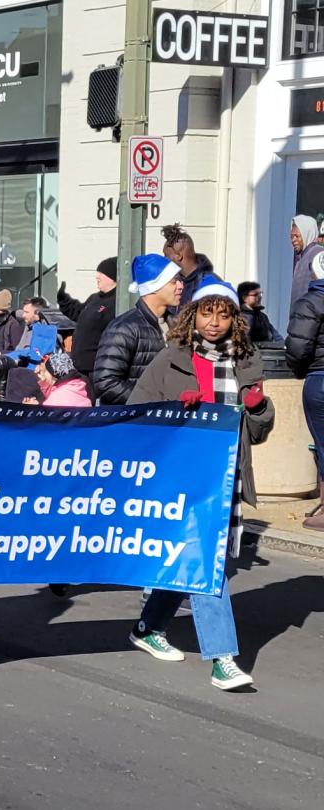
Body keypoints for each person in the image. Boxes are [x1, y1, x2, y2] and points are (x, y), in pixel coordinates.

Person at [127, 279, 271, 692]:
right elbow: (138, 413)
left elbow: (258, 432)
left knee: (193, 560)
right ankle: (222, 658)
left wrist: (259, 408)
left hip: (226, 477)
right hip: (181, 479)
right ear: (192, 316)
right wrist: (175, 411)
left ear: (234, 320)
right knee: (207, 563)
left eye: (223, 314)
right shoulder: (170, 360)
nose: (214, 322)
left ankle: (148, 626)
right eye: (206, 313)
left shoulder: (247, 362)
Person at [93, 254, 183, 404]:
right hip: (132, 422)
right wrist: (151, 400)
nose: (181, 286)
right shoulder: (124, 328)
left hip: (166, 420)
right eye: (174, 282)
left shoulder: (176, 326)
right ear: (154, 287)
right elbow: (106, 383)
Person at [285, 264, 324, 530]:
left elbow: (298, 346)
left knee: (322, 445)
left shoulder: (310, 302)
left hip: (320, 377)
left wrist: (301, 372)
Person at [57, 258, 118, 377]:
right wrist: (63, 300)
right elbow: (78, 313)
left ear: (112, 277)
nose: (97, 277)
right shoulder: (95, 298)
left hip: (97, 368)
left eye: (102, 273)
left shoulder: (117, 303)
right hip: (79, 365)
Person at [161, 223, 218, 307]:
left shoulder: (210, 285)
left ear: (179, 256)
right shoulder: (173, 282)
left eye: (166, 256)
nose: (164, 260)